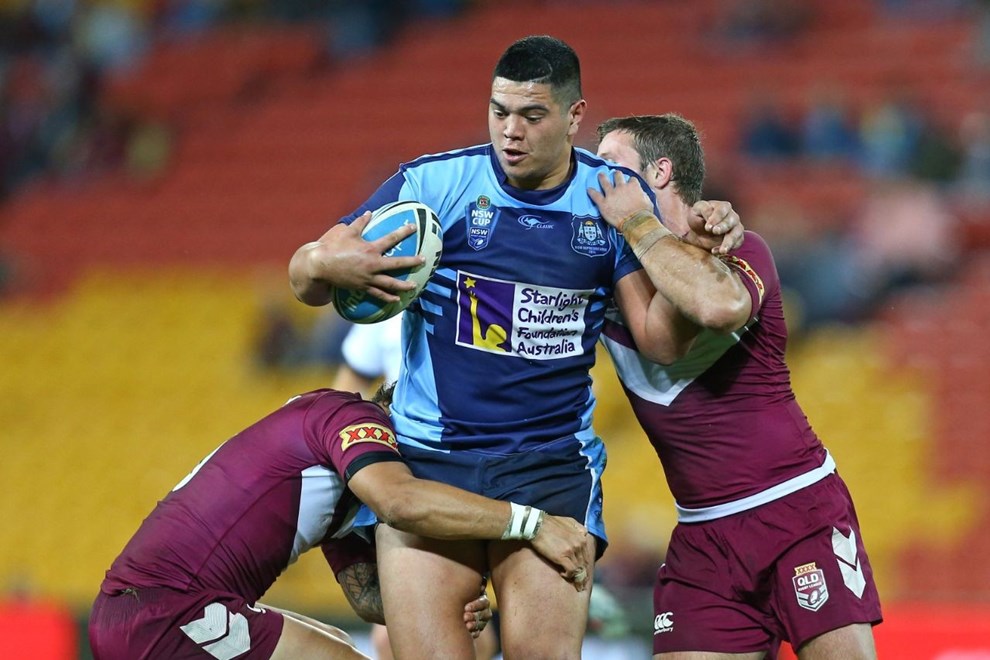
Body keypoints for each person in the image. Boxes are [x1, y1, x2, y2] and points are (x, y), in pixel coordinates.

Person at [288, 34, 743, 659]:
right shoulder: (433, 184)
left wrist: (695, 250)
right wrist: (320, 262)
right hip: (431, 462)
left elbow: (658, 341)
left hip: (550, 469)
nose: (511, 131)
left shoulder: (612, 197)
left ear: (575, 116)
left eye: (532, 115)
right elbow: (306, 280)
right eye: (499, 111)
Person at [590, 113, 882, 658]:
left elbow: (715, 306)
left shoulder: (742, 250)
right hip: (702, 538)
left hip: (795, 508)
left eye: (610, 163)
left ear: (659, 172)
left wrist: (638, 223)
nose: (594, 176)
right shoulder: (609, 275)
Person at [88, 385, 592, 659]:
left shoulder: (343, 481)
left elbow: (368, 598)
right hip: (166, 608)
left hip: (147, 608)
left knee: (342, 645)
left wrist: (447, 605)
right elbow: (400, 501)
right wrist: (531, 523)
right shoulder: (351, 419)